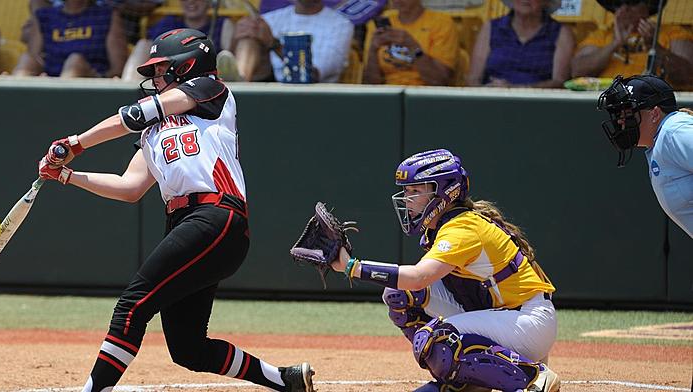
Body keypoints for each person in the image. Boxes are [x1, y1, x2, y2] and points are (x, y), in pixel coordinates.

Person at [35, 28, 315, 392]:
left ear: (187, 65)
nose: (155, 77)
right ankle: (286, 380)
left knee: (132, 305)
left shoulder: (209, 90)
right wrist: (68, 175)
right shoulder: (154, 131)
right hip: (185, 222)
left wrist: (75, 143)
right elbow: (130, 187)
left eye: (161, 69)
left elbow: (133, 115)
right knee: (189, 349)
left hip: (216, 215)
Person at [328, 149, 559, 391]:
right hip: (499, 315)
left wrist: (352, 267)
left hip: (526, 323)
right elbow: (412, 286)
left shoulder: (463, 228)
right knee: (398, 295)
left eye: (416, 191)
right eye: (406, 191)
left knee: (438, 338)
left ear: (444, 192)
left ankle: (533, 376)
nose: (408, 199)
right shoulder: (443, 226)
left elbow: (418, 277)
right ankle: (466, 381)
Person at [597, 74, 693, 237]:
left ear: (655, 114)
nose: (621, 122)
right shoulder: (661, 139)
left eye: (627, 114)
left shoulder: (673, 132)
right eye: (620, 115)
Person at [572, 0, 693, 88]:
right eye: (618, 4)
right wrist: (615, 44)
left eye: (631, 2)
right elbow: (577, 71)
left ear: (648, 5)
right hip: (609, 100)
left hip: (653, 102)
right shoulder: (601, 35)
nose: (624, 9)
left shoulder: (672, 32)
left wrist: (656, 47)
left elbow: (687, 75)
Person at [228, 0, 353, 83]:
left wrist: (273, 43)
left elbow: (310, 76)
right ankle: (239, 80)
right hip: (271, 88)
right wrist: (236, 37)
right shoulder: (272, 18)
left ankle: (236, 88)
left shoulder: (341, 25)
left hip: (314, 98)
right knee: (250, 31)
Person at [466, 0, 574, 88]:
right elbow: (473, 78)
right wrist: (485, 91)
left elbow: (559, 82)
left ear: (546, 2)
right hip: (492, 101)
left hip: (538, 104)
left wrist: (516, 89)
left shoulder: (561, 32)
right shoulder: (490, 28)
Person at [121, 0, 234, 81]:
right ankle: (128, 84)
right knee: (143, 44)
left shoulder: (223, 24)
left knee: (229, 51)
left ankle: (239, 84)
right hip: (171, 79)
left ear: (209, 2)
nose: (191, 2)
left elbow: (228, 56)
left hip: (208, 82)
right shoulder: (168, 23)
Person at [13, 0, 128, 77]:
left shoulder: (107, 15)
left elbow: (117, 69)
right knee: (26, 61)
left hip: (89, 79)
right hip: (50, 78)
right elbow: (35, 57)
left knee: (75, 61)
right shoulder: (44, 16)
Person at [363, 0, 458, 86]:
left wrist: (413, 47)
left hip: (425, 94)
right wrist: (373, 50)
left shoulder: (441, 23)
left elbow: (440, 81)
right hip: (388, 94)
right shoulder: (379, 23)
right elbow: (370, 84)